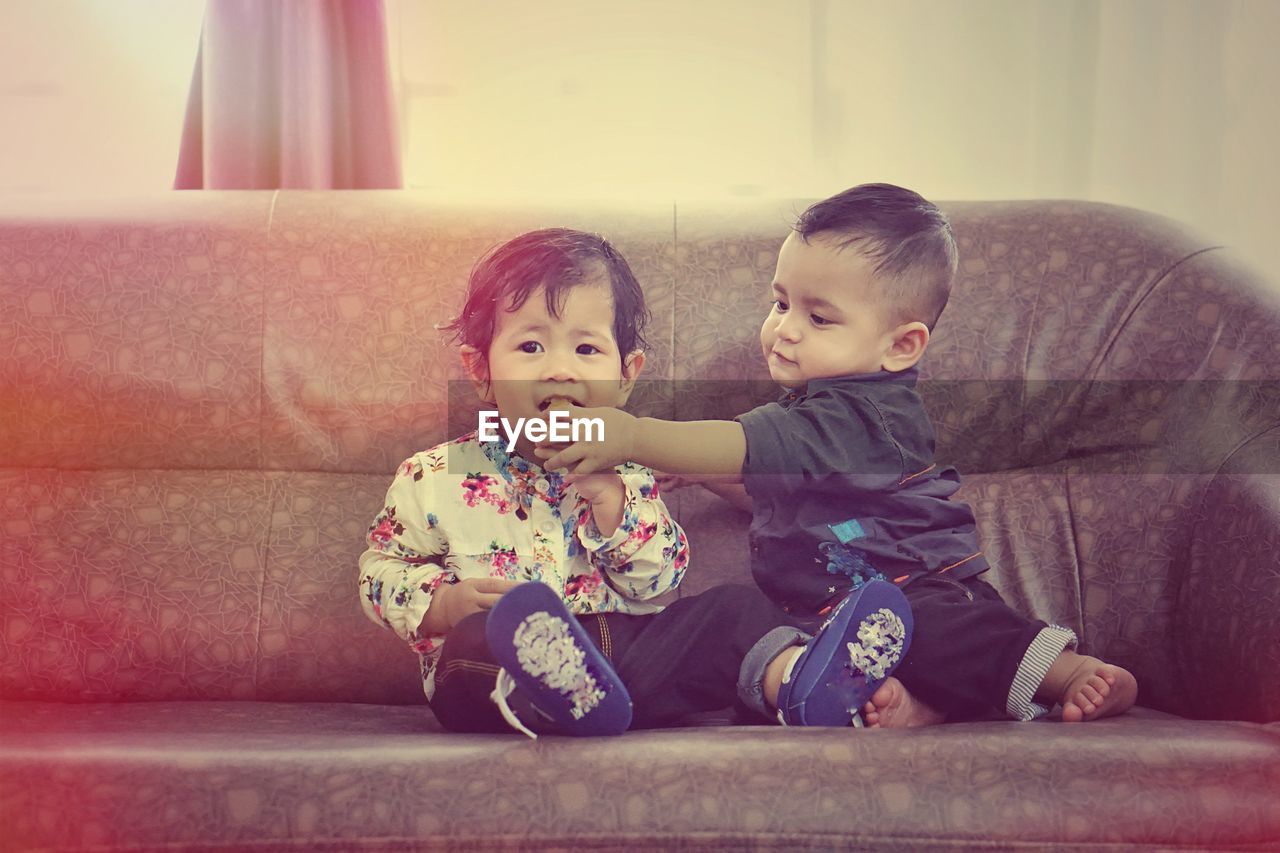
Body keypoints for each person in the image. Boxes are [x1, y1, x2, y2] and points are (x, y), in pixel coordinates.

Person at [537, 185, 1139, 726]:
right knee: (766, 643)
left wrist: (632, 435)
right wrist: (695, 471)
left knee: (934, 630)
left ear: (900, 345)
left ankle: (1068, 670)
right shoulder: (810, 414)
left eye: (818, 317)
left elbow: (745, 446)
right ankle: (921, 703)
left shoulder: (862, 415)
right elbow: (775, 488)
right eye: (780, 304)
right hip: (825, 612)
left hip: (914, 587)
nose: (786, 330)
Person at [358, 227, 916, 737]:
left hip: (619, 659)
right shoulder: (435, 473)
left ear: (626, 377)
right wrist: (443, 604)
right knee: (474, 644)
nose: (559, 369)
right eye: (530, 347)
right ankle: (551, 698)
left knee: (730, 612)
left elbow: (657, 581)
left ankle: (798, 684)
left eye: (586, 349)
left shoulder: (626, 472)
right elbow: (380, 570)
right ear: (482, 372)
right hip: (500, 671)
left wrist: (612, 504)